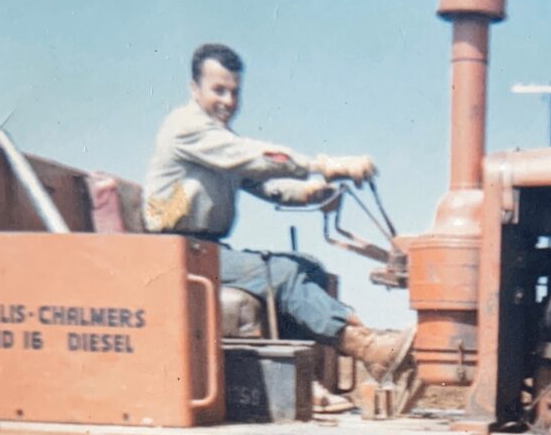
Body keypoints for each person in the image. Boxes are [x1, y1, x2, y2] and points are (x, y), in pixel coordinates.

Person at [143, 43, 407, 389]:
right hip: (176, 251)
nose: (227, 101)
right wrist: (323, 165)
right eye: (218, 90)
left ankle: (311, 378)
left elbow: (267, 186)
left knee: (308, 266)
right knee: (281, 275)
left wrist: (314, 191)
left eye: (234, 92)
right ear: (195, 89)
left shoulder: (220, 144)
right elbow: (257, 158)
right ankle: (368, 347)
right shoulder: (187, 128)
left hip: (206, 250)